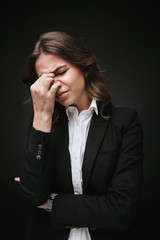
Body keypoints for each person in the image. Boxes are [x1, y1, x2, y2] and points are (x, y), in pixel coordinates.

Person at [18, 31, 143, 240]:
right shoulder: (42, 121)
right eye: (45, 80)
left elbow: (122, 212)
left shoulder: (124, 121)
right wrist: (42, 115)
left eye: (61, 72)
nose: (55, 85)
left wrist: (51, 204)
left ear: (83, 67)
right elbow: (33, 195)